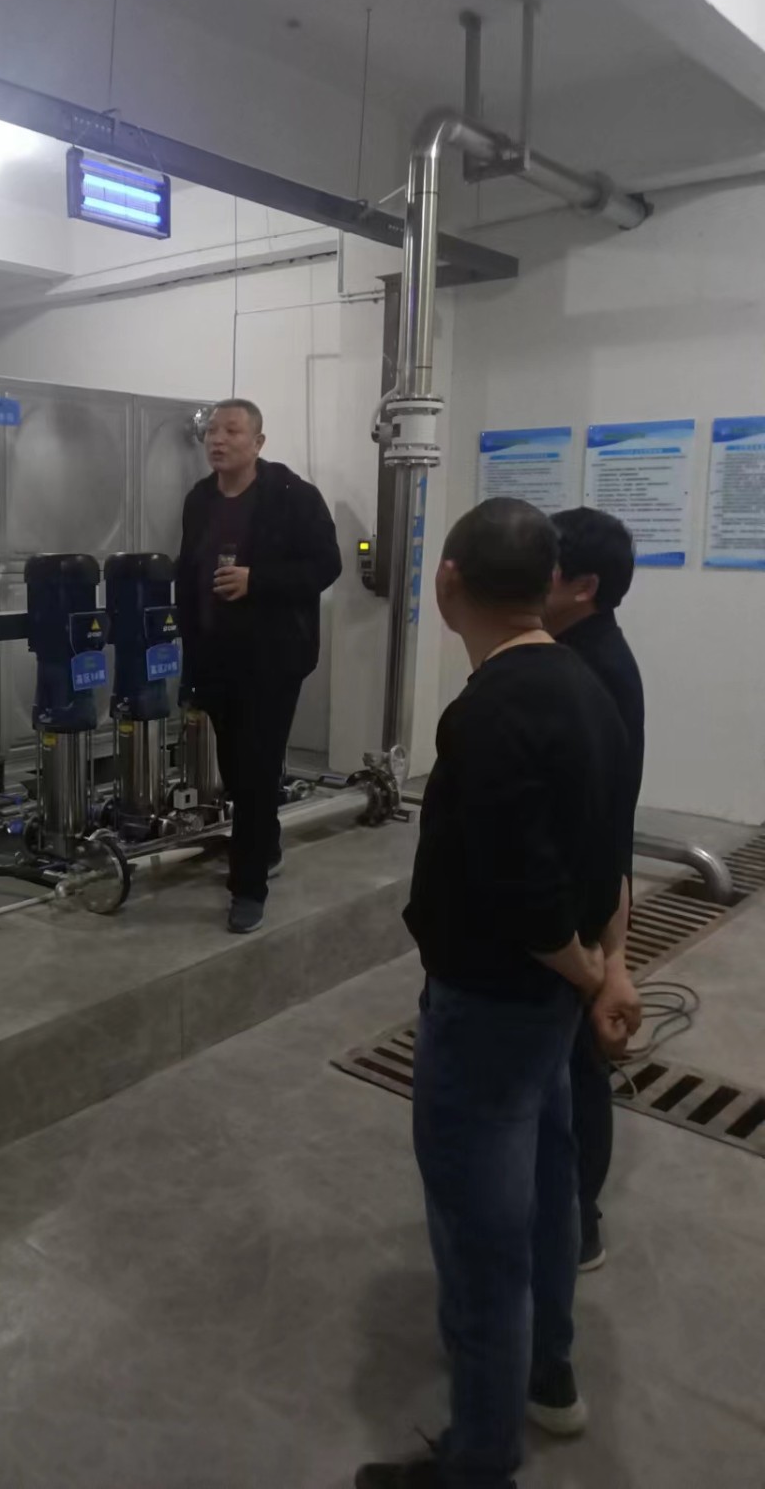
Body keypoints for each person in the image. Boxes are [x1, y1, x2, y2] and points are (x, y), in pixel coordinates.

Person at [357, 498, 630, 1489]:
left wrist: (590, 973)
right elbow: (607, 855)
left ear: (448, 583)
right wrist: (607, 968)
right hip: (546, 1013)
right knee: (550, 1187)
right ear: (549, 584)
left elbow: (526, 899)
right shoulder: (592, 686)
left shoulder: (486, 716)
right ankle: (547, 1367)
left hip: (489, 1008)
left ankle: (478, 1460)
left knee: (482, 1239)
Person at [175, 398, 340, 934]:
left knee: (257, 768)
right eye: (212, 432)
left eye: (232, 431)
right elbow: (187, 573)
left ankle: (247, 889)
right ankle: (264, 846)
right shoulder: (200, 499)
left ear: (258, 442)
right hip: (216, 658)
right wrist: (188, 657)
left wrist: (257, 580)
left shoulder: (293, 496)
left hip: (273, 659)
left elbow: (327, 565)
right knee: (237, 767)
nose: (218, 440)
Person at [546, 507, 645, 1271]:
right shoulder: (579, 652)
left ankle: (577, 1220)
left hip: (576, 908)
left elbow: (599, 828)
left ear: (583, 586)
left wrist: (606, 958)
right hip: (584, 901)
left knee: (578, 1066)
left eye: (544, 564)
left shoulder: (590, 672)